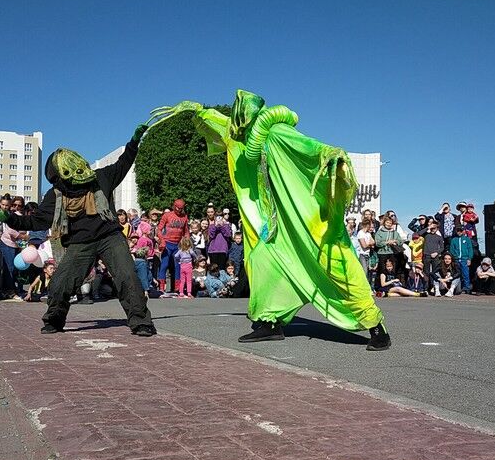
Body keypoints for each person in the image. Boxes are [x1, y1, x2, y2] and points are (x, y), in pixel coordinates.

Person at [149, 92, 390, 348]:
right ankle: (270, 322)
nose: (235, 124)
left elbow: (307, 146)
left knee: (333, 265)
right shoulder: (239, 136)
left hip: (299, 221)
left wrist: (329, 153)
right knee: (262, 262)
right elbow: (222, 123)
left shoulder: (275, 133)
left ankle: (377, 327)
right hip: (272, 226)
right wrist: (198, 111)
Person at [0, 124, 157, 336]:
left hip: (110, 236)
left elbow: (123, 163)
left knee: (127, 276)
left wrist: (133, 142)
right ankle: (54, 319)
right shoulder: (56, 194)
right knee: (61, 282)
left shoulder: (100, 178)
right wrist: (8, 217)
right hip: (80, 242)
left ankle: (141, 322)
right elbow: (37, 221)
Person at [157, 199, 189, 293]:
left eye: (181, 208)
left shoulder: (184, 217)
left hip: (177, 245)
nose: (179, 210)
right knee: (164, 264)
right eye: (177, 208)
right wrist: (162, 241)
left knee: (177, 266)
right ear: (174, 206)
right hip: (167, 243)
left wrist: (187, 242)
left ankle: (177, 288)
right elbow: (159, 229)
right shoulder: (167, 215)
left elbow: (186, 231)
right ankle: (161, 287)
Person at [449, 225, 474, 293]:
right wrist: (454, 256)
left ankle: (467, 288)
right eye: (458, 231)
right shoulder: (454, 240)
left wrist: (469, 258)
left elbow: (470, 249)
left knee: (465, 274)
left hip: (464, 259)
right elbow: (451, 250)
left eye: (460, 231)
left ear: (463, 231)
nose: (459, 232)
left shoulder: (467, 239)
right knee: (456, 274)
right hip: (456, 260)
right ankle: (457, 288)